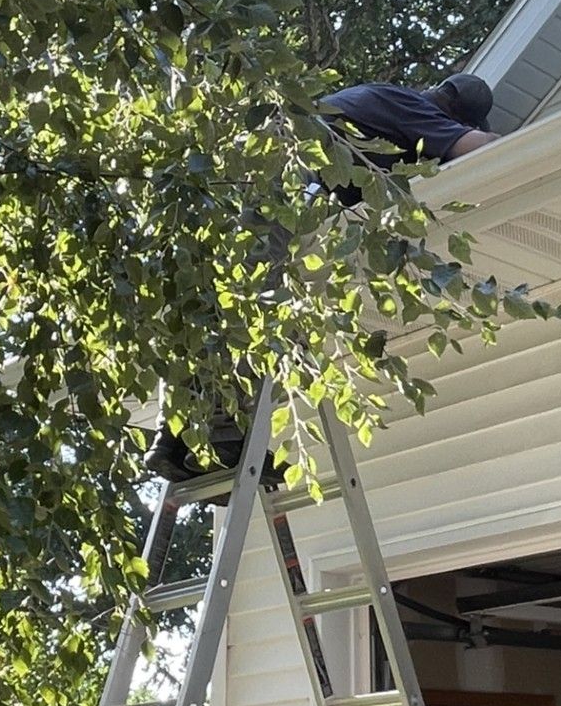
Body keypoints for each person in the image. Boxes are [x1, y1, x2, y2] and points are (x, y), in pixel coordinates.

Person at [141, 73, 499, 482]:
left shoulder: (368, 102)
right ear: (453, 108)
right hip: (275, 191)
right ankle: (228, 441)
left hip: (230, 184)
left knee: (211, 311)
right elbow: (478, 147)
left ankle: (170, 441)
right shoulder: (411, 105)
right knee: (256, 308)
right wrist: (475, 136)